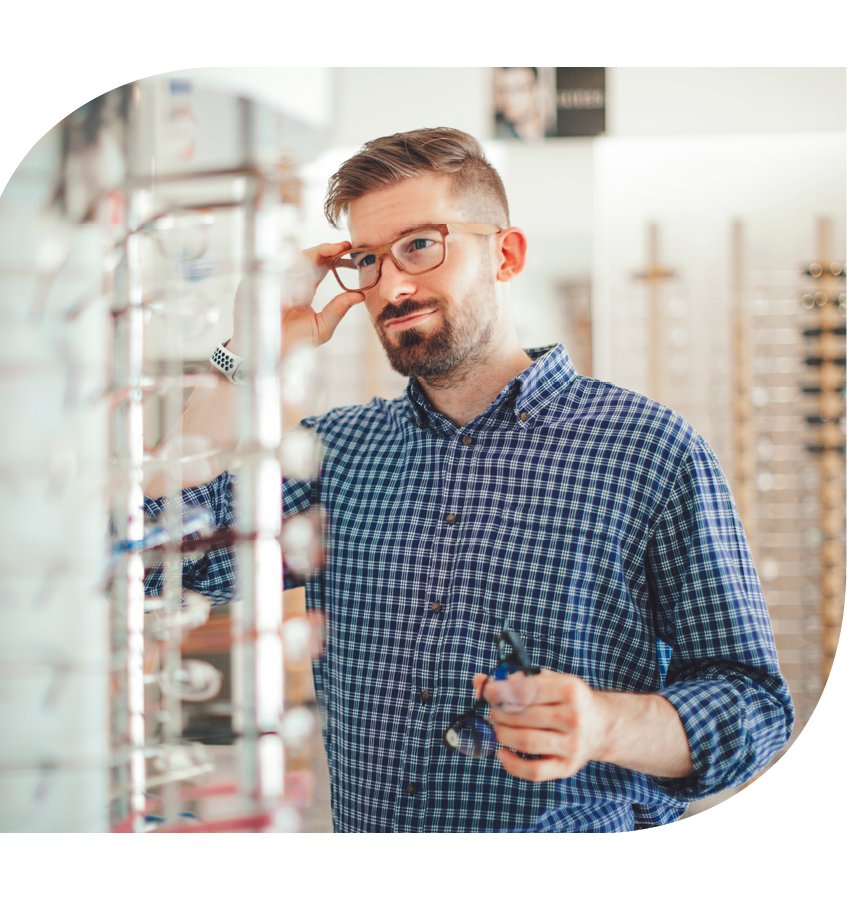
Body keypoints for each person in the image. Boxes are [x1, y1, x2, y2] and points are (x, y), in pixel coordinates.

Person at [143, 127, 793, 832]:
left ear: (505, 255)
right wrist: (247, 348)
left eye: (422, 244)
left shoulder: (652, 452)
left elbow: (753, 708)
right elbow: (157, 555)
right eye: (367, 259)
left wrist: (605, 724)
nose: (392, 285)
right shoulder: (336, 453)